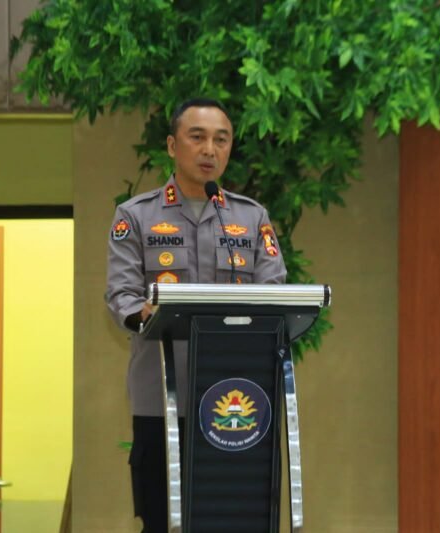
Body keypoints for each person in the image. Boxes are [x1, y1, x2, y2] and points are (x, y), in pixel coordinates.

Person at [104, 98, 287, 532]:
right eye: (197, 137)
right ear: (172, 145)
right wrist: (144, 314)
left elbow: (274, 291)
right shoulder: (136, 216)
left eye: (221, 140)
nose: (210, 150)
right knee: (162, 519)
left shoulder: (251, 217)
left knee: (233, 520)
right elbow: (121, 295)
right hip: (163, 399)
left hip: (235, 398)